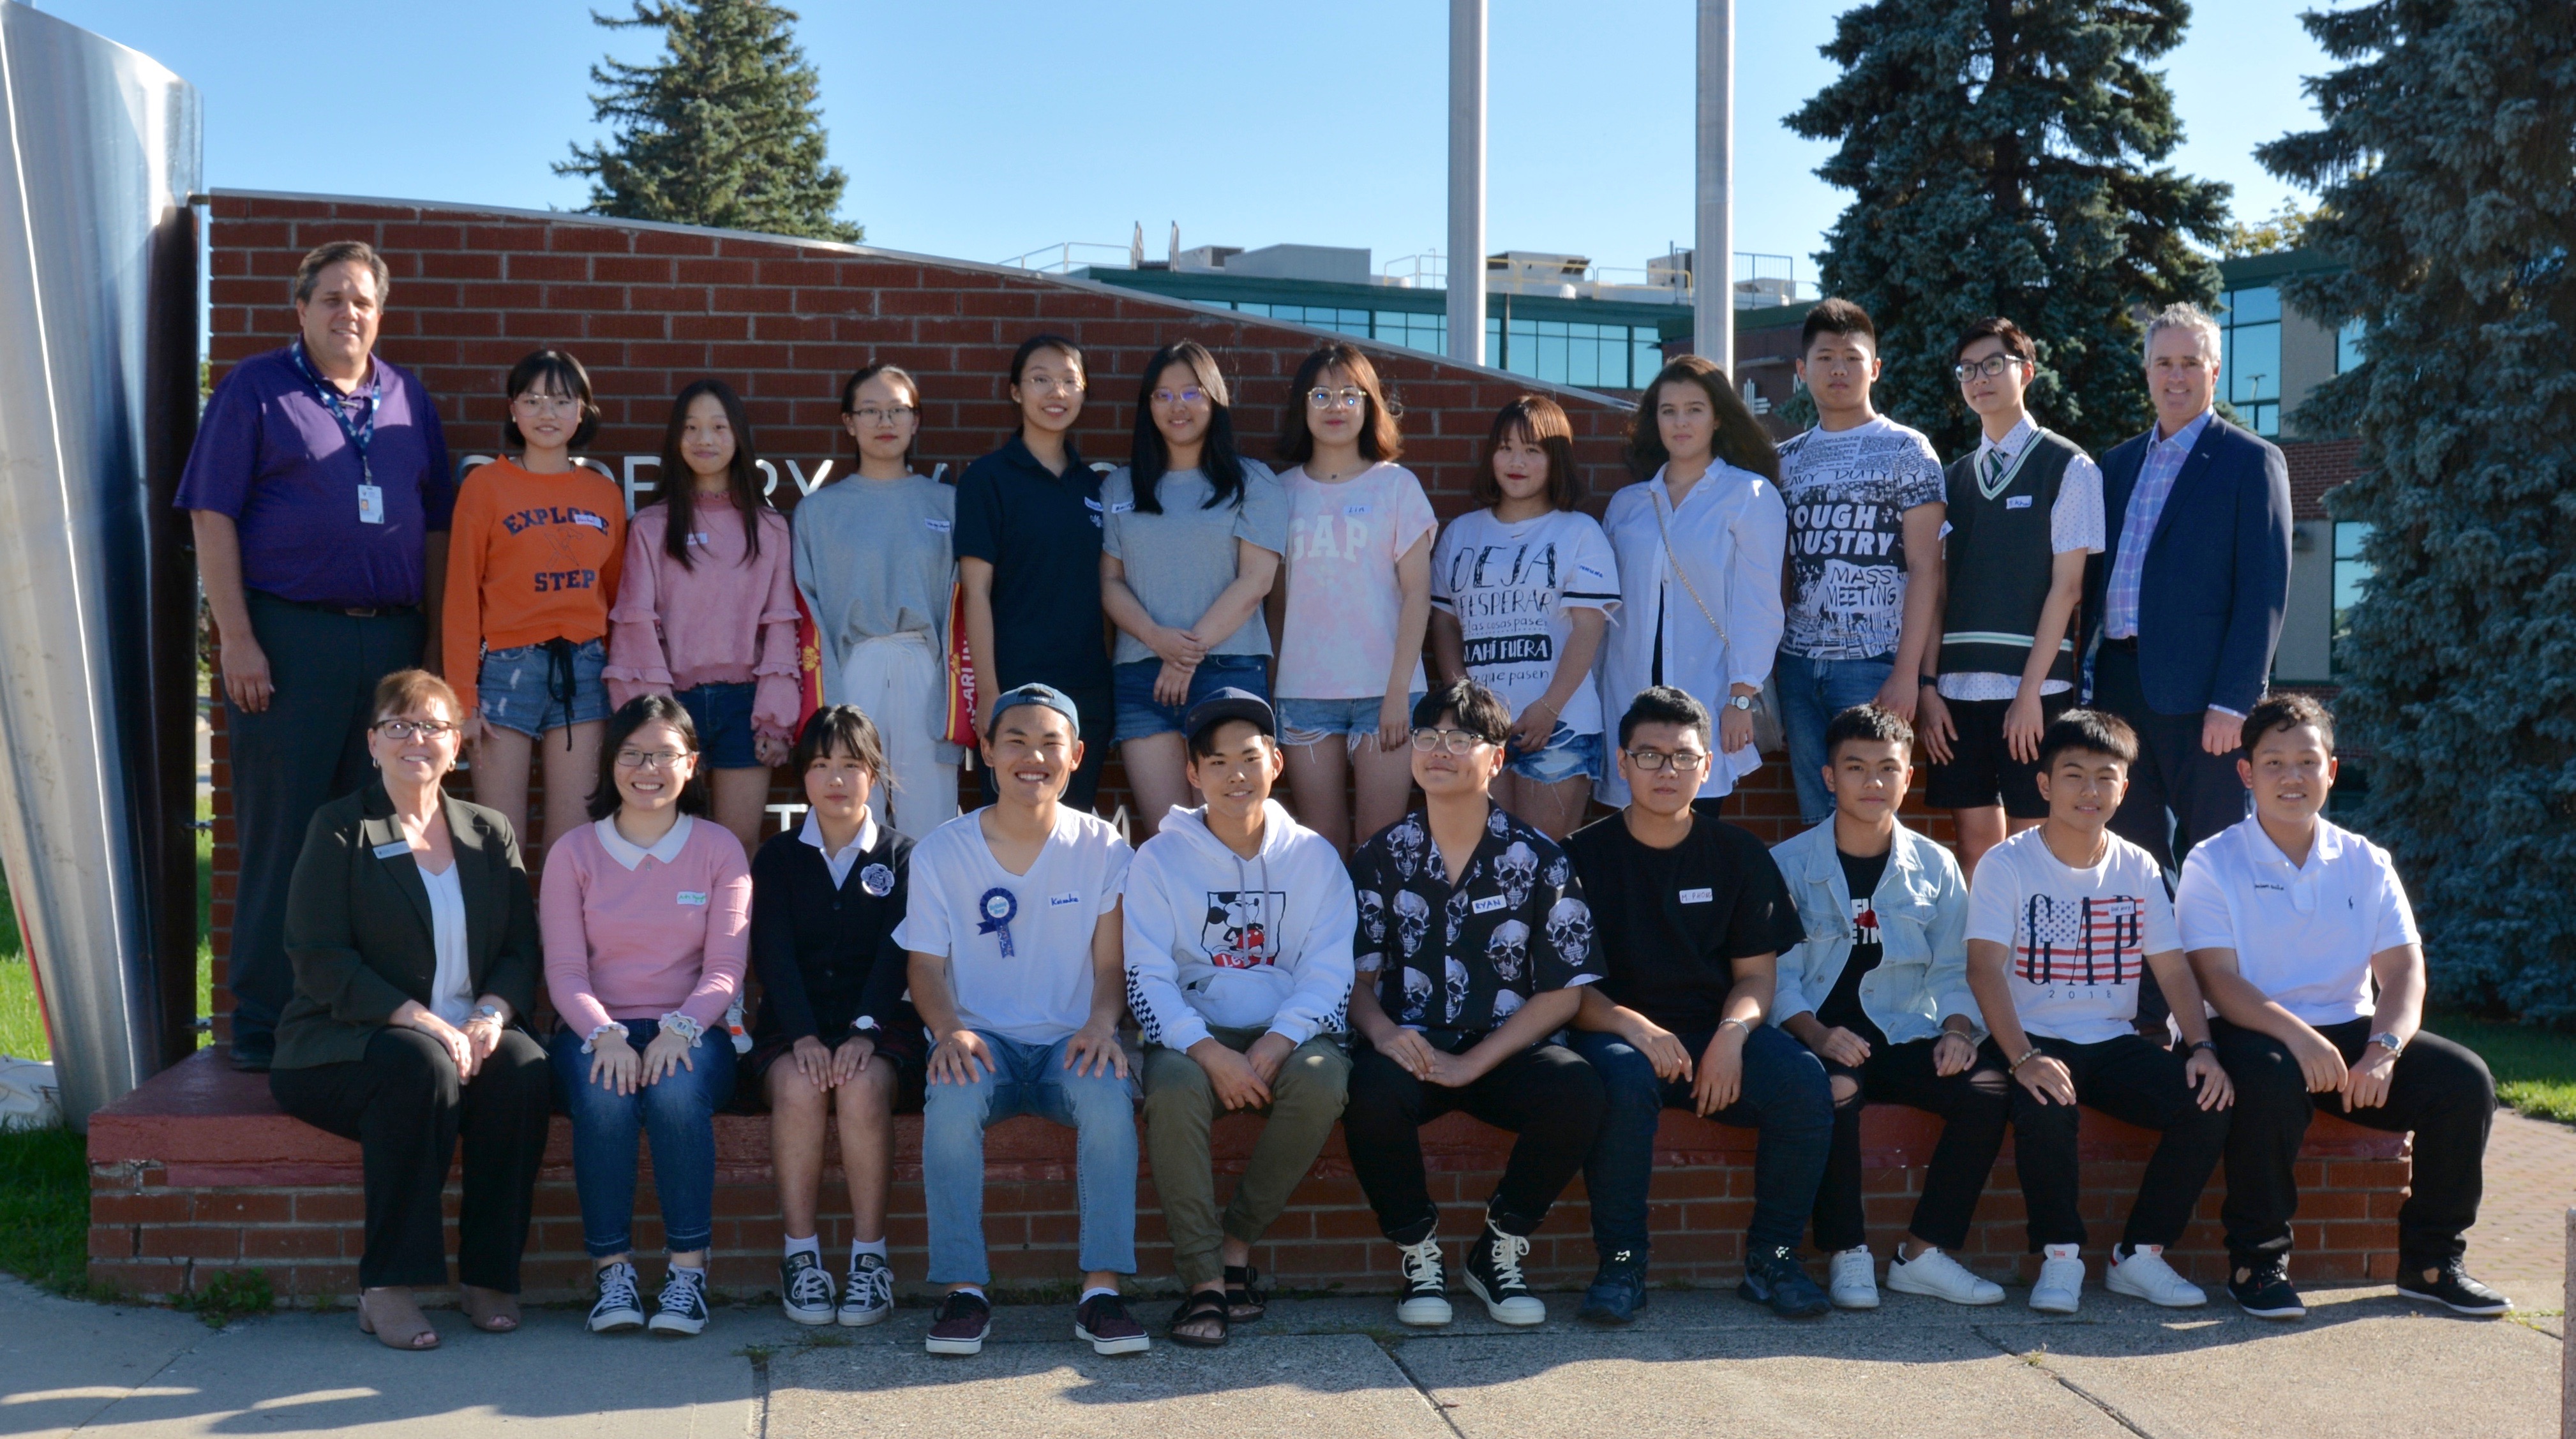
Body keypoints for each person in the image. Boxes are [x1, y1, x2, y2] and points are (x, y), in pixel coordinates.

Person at [179, 239, 454, 1071]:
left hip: (394, 639)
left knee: (382, 833)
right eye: (331, 297)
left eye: (362, 299)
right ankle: (266, 1024)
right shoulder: (257, 390)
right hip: (289, 640)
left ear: (381, 311)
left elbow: (436, 524)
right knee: (287, 834)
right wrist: (237, 636)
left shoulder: (409, 398)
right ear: (300, 308)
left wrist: (435, 648)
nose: (348, 313)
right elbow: (210, 513)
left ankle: (364, 1011)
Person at [2180, 694, 2508, 1318]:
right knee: (2274, 1075)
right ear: (2245, 772)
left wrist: (2384, 1050)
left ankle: (2431, 1261)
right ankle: (2257, 1259)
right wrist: (2298, 1037)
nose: (2291, 776)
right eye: (2273, 762)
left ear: (2331, 771)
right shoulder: (2213, 860)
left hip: (2349, 1034)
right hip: (2248, 1029)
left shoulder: (2364, 860)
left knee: (2463, 1081)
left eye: (2307, 761)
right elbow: (2217, 979)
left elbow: (2403, 970)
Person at [267, 669, 549, 1351]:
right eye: (399, 724)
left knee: (524, 1064)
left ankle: (488, 1273)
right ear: (372, 742)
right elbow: (317, 954)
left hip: (465, 1034)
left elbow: (519, 948)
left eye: (432, 726)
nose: (414, 739)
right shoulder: (341, 828)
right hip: (347, 1041)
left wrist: (489, 1013)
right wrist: (419, 1017)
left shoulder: (489, 831)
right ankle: (387, 1285)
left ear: (457, 745)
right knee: (421, 1066)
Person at [1342, 678, 1607, 1329]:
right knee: (1368, 1091)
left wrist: (1475, 1061)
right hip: (1411, 1045)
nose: (1440, 749)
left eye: (1462, 738)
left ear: (1497, 758)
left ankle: (1498, 1247)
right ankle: (1418, 1253)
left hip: (1502, 1048)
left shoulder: (1540, 858)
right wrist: (1380, 1034)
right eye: (1429, 735)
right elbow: (1349, 976)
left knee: (1577, 1089)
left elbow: (1565, 989)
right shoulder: (1380, 857)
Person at [1563, 686, 1833, 1324]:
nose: (1666, 771)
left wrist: (1732, 1035)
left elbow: (1755, 976)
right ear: (1622, 763)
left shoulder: (1737, 853)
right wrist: (1636, 1027)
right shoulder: (1578, 856)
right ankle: (1621, 1263)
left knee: (1802, 1081)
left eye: (1681, 757)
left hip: (1715, 1034)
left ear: (1706, 766)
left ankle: (1772, 1257)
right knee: (1624, 1081)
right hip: (1615, 1031)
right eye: (1649, 756)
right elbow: (1565, 990)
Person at [896, 685, 1148, 1357]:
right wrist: (948, 1029)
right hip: (984, 1041)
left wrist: (1101, 1024)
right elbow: (923, 967)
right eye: (1015, 740)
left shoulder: (1102, 847)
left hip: (1072, 1039)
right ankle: (963, 1292)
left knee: (1106, 1099)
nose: (1032, 756)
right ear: (985, 750)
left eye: (1049, 743)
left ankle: (1101, 1292)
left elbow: (1108, 966)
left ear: (1076, 756)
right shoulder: (941, 851)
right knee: (950, 1102)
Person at [1965, 709, 2234, 1315]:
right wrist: (2025, 1057)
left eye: (2104, 777)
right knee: (2044, 1103)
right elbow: (1983, 967)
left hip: (2112, 1040)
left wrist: (2203, 1048)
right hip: (2029, 1035)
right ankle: (2060, 1258)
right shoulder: (2006, 864)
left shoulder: (2138, 867)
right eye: (2074, 775)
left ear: (2124, 788)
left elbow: (2171, 969)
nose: (2090, 791)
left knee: (2207, 1103)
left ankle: (2137, 1255)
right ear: (2043, 784)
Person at [1124, 689, 1355, 1346]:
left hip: (1290, 1025)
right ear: (1192, 773)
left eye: (1250, 757)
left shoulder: (1313, 856)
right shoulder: (1158, 860)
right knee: (1168, 1091)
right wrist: (1206, 1050)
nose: (1236, 774)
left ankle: (1234, 1247)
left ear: (1276, 762)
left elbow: (1329, 967)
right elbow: (1145, 975)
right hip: (1195, 1031)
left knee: (1320, 1080)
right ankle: (1203, 1283)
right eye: (1217, 761)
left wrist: (1282, 1038)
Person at [1774, 705, 2012, 1311]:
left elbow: (1958, 965)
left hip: (1906, 1029)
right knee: (1832, 1092)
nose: (1872, 782)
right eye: (1855, 767)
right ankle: (1847, 1251)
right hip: (1819, 1035)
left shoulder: (1935, 866)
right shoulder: (1788, 864)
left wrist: (1958, 1029)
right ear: (1829, 777)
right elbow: (1775, 973)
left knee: (1987, 1085)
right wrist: (1817, 1033)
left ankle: (1923, 1253)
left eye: (1888, 768)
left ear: (1908, 778)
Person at [541, 694, 750, 1338]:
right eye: (632, 753)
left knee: (676, 1090)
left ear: (691, 763)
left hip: (696, 1028)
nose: (647, 768)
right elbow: (566, 973)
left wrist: (680, 1029)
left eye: (663, 754)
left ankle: (687, 1273)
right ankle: (614, 1272)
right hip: (593, 1027)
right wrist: (603, 1034)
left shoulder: (720, 849)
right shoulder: (573, 852)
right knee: (605, 1097)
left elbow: (723, 970)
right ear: (611, 764)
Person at [2082, 301, 2293, 874]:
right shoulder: (2117, 464)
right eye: (2164, 363)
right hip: (2120, 691)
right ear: (2147, 371)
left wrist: (2234, 701)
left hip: (2206, 704)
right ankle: (2155, 970)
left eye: (2191, 363)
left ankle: (2220, 968)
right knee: (2134, 861)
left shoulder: (2252, 462)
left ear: (2215, 371)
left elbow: (2264, 592)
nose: (2177, 376)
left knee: (2217, 862)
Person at [745, 705, 927, 1328]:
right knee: (799, 1087)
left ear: (873, 774)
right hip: (792, 1027)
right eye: (821, 764)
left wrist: (864, 1030)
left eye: (851, 764)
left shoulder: (904, 855)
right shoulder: (775, 858)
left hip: (879, 1027)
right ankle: (801, 1257)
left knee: (861, 1085)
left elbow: (897, 952)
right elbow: (772, 953)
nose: (836, 779)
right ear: (803, 776)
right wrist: (802, 1034)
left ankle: (870, 1260)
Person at [1918, 318, 2105, 879]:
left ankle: (2033, 968)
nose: (1980, 379)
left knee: (2032, 847)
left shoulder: (2069, 465)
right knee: (1975, 847)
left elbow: (2068, 587)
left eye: (1994, 364)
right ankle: (1982, 965)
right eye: (1968, 370)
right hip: (1957, 692)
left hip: (2036, 690)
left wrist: (2028, 693)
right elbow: (1936, 590)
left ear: (2027, 371)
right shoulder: (1951, 479)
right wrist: (1929, 689)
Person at [441, 348, 625, 861]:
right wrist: (463, 700)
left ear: (582, 412)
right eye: (534, 399)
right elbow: (460, 597)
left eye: (562, 400)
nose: (548, 413)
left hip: (584, 669)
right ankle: (509, 945)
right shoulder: (485, 487)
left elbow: (616, 596)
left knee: (572, 842)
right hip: (504, 669)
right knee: (499, 841)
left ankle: (560, 944)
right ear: (513, 409)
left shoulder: (603, 494)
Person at [1100, 341, 1288, 840]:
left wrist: (1183, 655)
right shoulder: (1120, 487)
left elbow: (1256, 582)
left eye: (1190, 392)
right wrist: (1159, 641)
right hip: (1143, 677)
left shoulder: (1254, 482)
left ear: (1214, 399)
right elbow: (1110, 582)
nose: (1176, 406)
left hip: (1229, 672)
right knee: (1170, 838)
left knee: (1233, 831)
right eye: (1162, 395)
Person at [1772, 299, 1947, 830]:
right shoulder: (1784, 459)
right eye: (1825, 358)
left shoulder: (1908, 450)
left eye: (1852, 357)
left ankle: (1873, 915)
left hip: (1874, 665)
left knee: (1871, 816)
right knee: (1815, 817)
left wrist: (1908, 674)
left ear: (1875, 368)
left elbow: (1926, 569)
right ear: (1803, 372)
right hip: (1798, 666)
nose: (1838, 370)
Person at [606, 380, 799, 856]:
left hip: (744, 706)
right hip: (675, 705)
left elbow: (780, 626)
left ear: (738, 437)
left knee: (740, 844)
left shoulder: (770, 527)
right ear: (676, 438)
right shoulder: (653, 526)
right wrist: (650, 719)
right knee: (668, 845)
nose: (704, 439)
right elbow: (636, 626)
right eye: (691, 428)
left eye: (718, 427)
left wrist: (774, 722)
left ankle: (736, 935)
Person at [1595, 355, 1785, 814]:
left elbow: (1759, 604)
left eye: (1694, 409)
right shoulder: (1627, 506)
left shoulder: (1749, 496)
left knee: (1696, 833)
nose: (1681, 422)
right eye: (1668, 410)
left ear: (1718, 416)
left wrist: (1741, 695)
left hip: (1709, 693)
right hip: (1628, 697)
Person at [1269, 343, 1437, 855]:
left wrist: (1396, 693)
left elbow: (1417, 597)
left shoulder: (1397, 487)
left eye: (1350, 394)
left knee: (1380, 841)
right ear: (1302, 405)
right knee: (1320, 842)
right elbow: (1274, 603)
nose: (1335, 406)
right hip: (1302, 694)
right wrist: (1274, 688)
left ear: (1369, 406)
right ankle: (1330, 939)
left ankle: (1378, 940)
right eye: (1321, 394)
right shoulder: (1279, 492)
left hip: (1384, 694)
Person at [1430, 396, 1621, 839]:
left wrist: (1549, 707)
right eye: (1505, 447)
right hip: (1479, 731)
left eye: (1532, 450)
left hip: (1560, 726)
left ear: (1555, 460)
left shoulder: (1580, 532)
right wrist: (1467, 710)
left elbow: (1588, 628)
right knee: (1487, 861)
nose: (1516, 461)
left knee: (1540, 863)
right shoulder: (1460, 533)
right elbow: (1444, 624)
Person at [791, 362, 961, 839]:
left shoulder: (947, 504)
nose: (885, 422)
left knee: (931, 822)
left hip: (927, 672)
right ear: (849, 422)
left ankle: (928, 915)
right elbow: (810, 614)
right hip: (852, 669)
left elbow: (962, 609)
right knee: (851, 820)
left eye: (897, 410)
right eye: (870, 410)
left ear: (916, 420)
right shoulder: (818, 512)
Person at [956, 336, 1114, 812]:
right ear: (1015, 392)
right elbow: (976, 591)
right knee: (1013, 822)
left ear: (1084, 393)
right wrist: (989, 692)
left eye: (1069, 381)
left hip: (1086, 690)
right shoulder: (987, 479)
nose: (1056, 392)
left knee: (1075, 828)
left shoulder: (1095, 487)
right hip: (1014, 686)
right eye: (1041, 380)